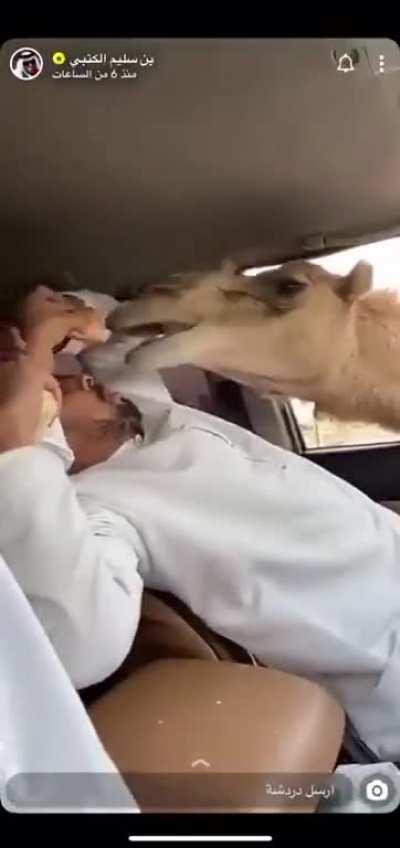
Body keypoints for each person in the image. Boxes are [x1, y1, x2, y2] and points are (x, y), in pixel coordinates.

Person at [1, 283, 400, 764]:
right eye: (61, 385)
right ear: (37, 418)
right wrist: (22, 447)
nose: (88, 380)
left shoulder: (155, 415)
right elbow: (77, 646)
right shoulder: (100, 508)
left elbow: (115, 327)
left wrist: (52, 328)